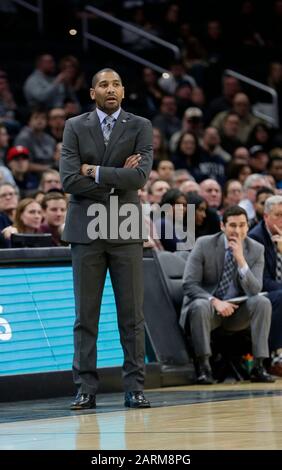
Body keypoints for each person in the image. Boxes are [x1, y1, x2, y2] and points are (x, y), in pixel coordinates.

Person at [60, 68, 153, 410]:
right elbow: (69, 179)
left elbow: (140, 177)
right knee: (86, 315)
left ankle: (135, 388)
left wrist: (94, 170)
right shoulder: (74, 125)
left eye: (116, 84)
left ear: (124, 91)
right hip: (86, 230)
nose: (110, 89)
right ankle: (85, 387)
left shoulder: (141, 125)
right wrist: (117, 180)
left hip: (125, 227)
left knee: (132, 315)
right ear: (92, 92)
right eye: (103, 84)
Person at [180, 205, 274, 385]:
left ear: (248, 226)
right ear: (222, 226)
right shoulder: (204, 244)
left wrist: (240, 260)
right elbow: (189, 284)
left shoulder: (256, 249)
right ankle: (204, 366)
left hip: (235, 312)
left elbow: (254, 290)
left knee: (262, 302)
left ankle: (259, 365)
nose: (237, 231)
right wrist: (215, 302)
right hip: (208, 309)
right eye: (232, 225)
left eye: (242, 225)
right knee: (200, 305)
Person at [249, 195, 282, 376]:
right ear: (266, 217)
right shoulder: (256, 238)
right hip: (256, 292)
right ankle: (276, 358)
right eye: (278, 215)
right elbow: (262, 281)